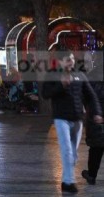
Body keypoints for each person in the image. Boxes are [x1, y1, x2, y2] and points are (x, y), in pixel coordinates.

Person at [42, 51, 102, 193]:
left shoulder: (79, 76)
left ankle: (65, 180)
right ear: (60, 61)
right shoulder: (52, 75)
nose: (71, 62)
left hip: (77, 120)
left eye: (72, 59)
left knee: (73, 154)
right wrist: (60, 85)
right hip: (61, 119)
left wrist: (97, 112)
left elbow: (92, 96)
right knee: (67, 151)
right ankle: (69, 182)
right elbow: (45, 94)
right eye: (68, 60)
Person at [83, 55, 104, 185]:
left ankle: (92, 175)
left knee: (96, 148)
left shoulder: (91, 76)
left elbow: (85, 97)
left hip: (96, 117)